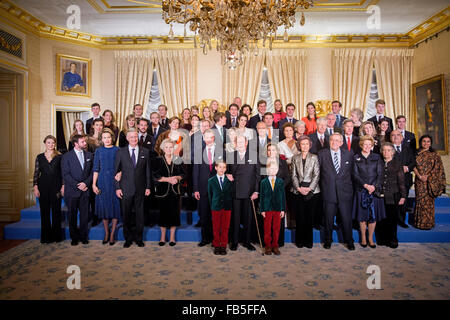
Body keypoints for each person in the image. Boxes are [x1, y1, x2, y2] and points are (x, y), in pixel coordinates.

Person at [115, 128, 151, 248]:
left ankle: (139, 238)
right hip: (125, 188)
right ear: (127, 138)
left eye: (135, 137)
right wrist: (117, 188)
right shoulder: (121, 152)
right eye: (131, 137)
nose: (134, 139)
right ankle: (128, 238)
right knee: (126, 215)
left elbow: (148, 172)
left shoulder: (145, 151)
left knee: (140, 215)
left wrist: (148, 187)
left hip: (141, 188)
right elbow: (116, 172)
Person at [318, 133, 355, 250]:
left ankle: (349, 241)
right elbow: (318, 173)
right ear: (329, 141)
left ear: (341, 142)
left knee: (346, 219)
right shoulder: (321, 154)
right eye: (332, 140)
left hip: (345, 192)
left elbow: (353, 173)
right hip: (329, 192)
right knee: (328, 219)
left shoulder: (349, 154)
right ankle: (328, 240)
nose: (334, 142)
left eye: (337, 140)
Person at [227, 135, 260, 251]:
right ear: (235, 143)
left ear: (246, 143)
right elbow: (226, 171)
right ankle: (234, 241)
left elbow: (257, 175)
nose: (240, 144)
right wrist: (227, 175)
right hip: (235, 191)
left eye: (242, 141)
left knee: (248, 218)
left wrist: (256, 191)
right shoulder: (231, 155)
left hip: (249, 192)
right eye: (238, 142)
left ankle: (247, 241)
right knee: (235, 218)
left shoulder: (253, 155)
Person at [352, 135, 386, 248]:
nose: (366, 146)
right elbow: (355, 175)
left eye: (369, 144)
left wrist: (374, 186)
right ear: (361, 145)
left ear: (372, 146)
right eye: (364, 144)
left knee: (373, 216)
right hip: (361, 190)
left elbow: (380, 174)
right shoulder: (355, 157)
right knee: (362, 216)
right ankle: (363, 237)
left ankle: (371, 238)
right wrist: (365, 185)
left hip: (374, 191)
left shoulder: (377, 157)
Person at [193, 129, 224, 247]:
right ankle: (205, 238)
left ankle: (217, 239)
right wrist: (196, 189)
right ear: (203, 139)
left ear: (214, 138)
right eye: (206, 137)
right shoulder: (198, 152)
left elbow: (226, 169)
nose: (208, 139)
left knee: (217, 215)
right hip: (203, 188)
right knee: (205, 215)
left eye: (210, 137)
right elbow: (195, 172)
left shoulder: (222, 151)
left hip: (218, 188)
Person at [61, 134, 93, 246]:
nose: (85, 143)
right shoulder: (66, 156)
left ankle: (83, 237)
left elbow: (92, 172)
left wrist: (85, 183)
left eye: (85, 141)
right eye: (83, 141)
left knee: (85, 215)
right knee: (72, 215)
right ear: (75, 144)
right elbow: (65, 174)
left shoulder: (89, 155)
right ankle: (74, 237)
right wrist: (77, 185)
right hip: (72, 191)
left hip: (85, 190)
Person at [153, 139, 185, 246]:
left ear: (174, 148)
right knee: (163, 214)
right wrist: (168, 179)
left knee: (174, 214)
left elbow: (184, 174)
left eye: (170, 147)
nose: (168, 149)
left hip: (175, 192)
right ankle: (162, 238)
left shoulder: (178, 159)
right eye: (166, 147)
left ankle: (172, 238)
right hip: (162, 192)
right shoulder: (158, 160)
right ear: (163, 148)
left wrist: (177, 178)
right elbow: (155, 176)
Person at [33, 135, 64, 243]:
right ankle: (46, 237)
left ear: (55, 144)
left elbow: (63, 174)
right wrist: (35, 187)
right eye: (49, 142)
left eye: (53, 143)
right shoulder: (40, 157)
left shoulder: (60, 156)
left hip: (56, 186)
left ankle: (56, 237)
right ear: (45, 143)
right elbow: (36, 173)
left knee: (56, 212)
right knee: (44, 212)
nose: (51, 145)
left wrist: (63, 186)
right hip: (43, 186)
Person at [291, 135, 320, 248]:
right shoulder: (295, 158)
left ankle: (308, 241)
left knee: (309, 217)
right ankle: (300, 241)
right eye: (302, 144)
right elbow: (293, 175)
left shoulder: (314, 157)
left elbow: (316, 175)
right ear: (299, 145)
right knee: (300, 217)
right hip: (298, 190)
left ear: (310, 145)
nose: (305, 146)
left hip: (312, 191)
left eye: (307, 144)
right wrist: (298, 188)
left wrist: (309, 188)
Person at [92, 129, 120, 245]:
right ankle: (106, 233)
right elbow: (96, 169)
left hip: (114, 182)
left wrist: (121, 173)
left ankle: (113, 234)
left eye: (108, 137)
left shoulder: (117, 150)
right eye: (104, 138)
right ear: (101, 139)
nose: (107, 140)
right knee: (104, 208)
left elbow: (122, 166)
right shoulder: (98, 151)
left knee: (114, 207)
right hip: (102, 181)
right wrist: (94, 184)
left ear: (112, 138)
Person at [376, 142, 407, 248]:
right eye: (384, 150)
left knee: (392, 218)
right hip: (380, 194)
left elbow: (401, 181)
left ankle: (393, 239)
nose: (386, 152)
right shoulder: (379, 162)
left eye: (388, 150)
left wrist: (403, 196)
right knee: (381, 218)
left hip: (393, 194)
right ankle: (382, 238)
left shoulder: (397, 164)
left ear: (393, 152)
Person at [412, 135, 446, 230]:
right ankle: (419, 223)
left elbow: (438, 168)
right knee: (420, 201)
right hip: (419, 181)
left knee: (429, 202)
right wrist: (419, 176)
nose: (426, 143)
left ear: (430, 143)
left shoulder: (435, 154)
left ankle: (428, 223)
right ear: (420, 142)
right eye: (424, 141)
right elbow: (413, 166)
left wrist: (427, 176)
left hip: (430, 182)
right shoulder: (416, 153)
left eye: (428, 141)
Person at [260, 143, 290, 247]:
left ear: (276, 151)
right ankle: (267, 244)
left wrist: (280, 186)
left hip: (279, 194)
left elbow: (287, 177)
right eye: (269, 150)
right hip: (266, 195)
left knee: (278, 222)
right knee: (267, 223)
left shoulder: (282, 162)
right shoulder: (262, 163)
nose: (271, 152)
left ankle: (278, 243)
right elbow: (260, 178)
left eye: (273, 150)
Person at [260, 160, 286, 255]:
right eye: (270, 169)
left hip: (278, 208)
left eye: (275, 168)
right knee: (267, 228)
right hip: (267, 209)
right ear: (267, 170)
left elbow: (283, 196)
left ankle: (275, 245)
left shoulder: (280, 181)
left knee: (276, 228)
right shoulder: (263, 182)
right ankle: (268, 246)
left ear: (278, 170)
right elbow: (262, 197)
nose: (273, 170)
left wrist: (283, 209)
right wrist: (262, 209)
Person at [391, 130, 416, 228]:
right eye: (393, 135)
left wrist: (408, 168)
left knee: (403, 201)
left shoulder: (408, 149)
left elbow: (413, 162)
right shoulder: (387, 149)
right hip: (392, 180)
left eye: (398, 135)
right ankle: (393, 220)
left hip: (405, 179)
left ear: (402, 138)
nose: (396, 137)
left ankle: (401, 220)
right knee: (392, 201)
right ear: (390, 138)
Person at [208, 161, 233, 255]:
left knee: (225, 227)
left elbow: (232, 193)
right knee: (216, 227)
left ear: (226, 169)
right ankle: (216, 245)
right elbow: (210, 195)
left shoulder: (229, 180)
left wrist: (232, 182)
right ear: (216, 168)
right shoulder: (211, 181)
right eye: (220, 167)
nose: (222, 169)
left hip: (227, 207)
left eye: (224, 167)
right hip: (216, 207)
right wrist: (213, 205)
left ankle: (223, 245)